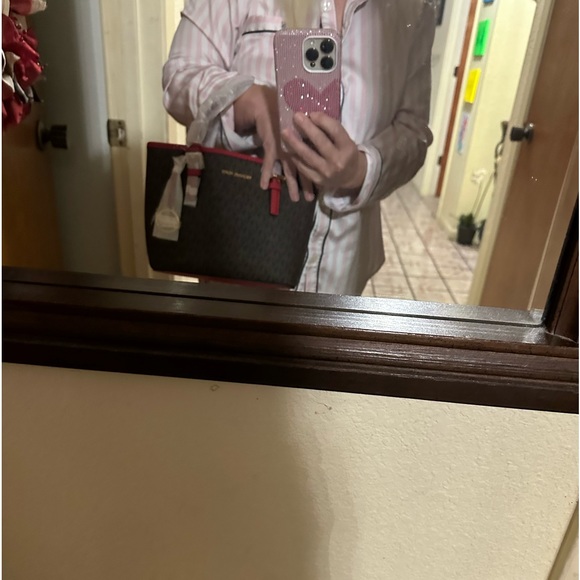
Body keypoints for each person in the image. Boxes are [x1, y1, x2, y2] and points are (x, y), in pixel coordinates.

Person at [163, 0, 435, 295]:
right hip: (236, 260)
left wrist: (361, 169)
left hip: (344, 270)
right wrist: (251, 100)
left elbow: (413, 129)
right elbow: (178, 75)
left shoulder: (415, 8)